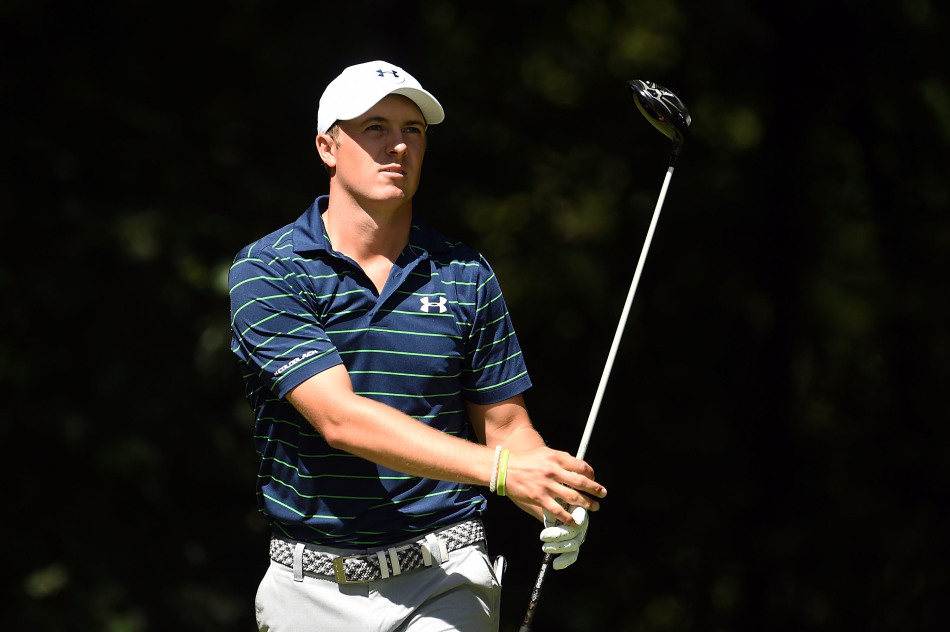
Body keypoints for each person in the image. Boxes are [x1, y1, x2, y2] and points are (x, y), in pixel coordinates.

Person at [229, 60, 607, 632]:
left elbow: (506, 429)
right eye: (375, 127)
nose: (398, 145)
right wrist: (503, 472)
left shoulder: (464, 274)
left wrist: (550, 490)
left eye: (413, 130)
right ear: (328, 147)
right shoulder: (269, 270)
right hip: (310, 587)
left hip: (445, 574)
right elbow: (340, 420)